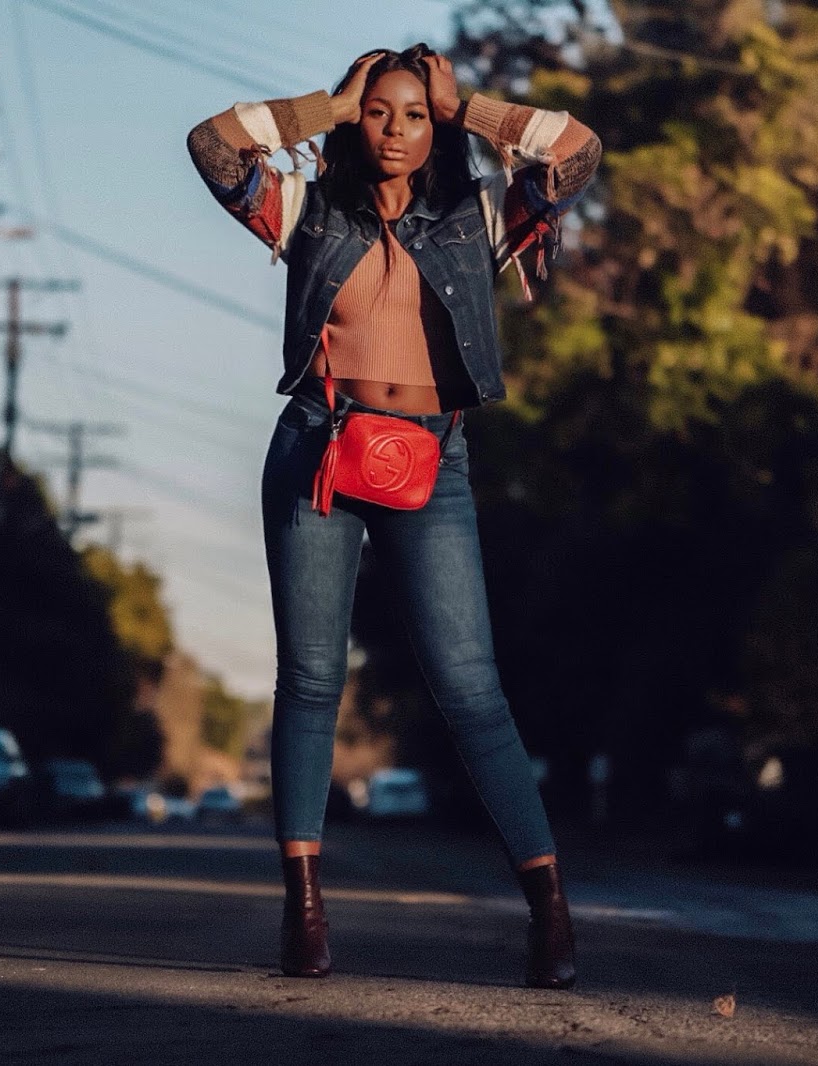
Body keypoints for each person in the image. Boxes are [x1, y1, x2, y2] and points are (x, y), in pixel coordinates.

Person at [186, 43, 600, 989]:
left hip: (434, 458)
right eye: (380, 112)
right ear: (357, 119)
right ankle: (304, 912)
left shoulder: (477, 215)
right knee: (311, 679)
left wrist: (470, 112)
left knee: (471, 689)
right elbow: (213, 146)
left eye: (414, 114)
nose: (397, 130)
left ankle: (549, 911)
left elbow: (575, 153)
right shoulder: (306, 209)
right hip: (318, 445)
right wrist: (323, 110)